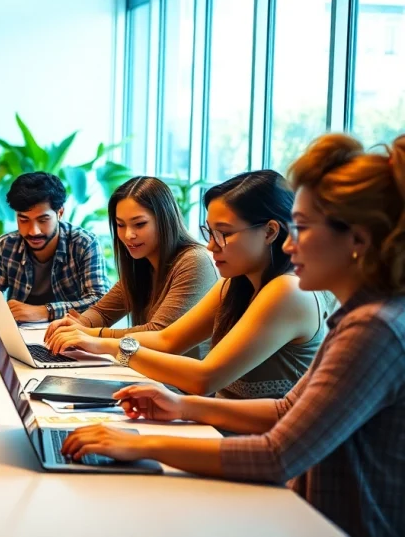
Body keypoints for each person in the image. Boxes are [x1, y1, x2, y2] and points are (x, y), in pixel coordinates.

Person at [62, 133, 405, 537]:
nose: (292, 245)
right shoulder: (355, 316)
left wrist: (139, 444)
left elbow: (276, 455)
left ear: (357, 240)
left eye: (304, 228)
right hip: (305, 509)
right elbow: (284, 410)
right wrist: (181, 406)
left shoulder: (371, 328)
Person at [47, 170, 332, 398]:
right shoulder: (236, 284)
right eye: (209, 231)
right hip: (217, 428)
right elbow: (168, 340)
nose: (211, 245)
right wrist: (90, 339)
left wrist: (104, 345)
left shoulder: (287, 291)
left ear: (270, 231)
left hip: (250, 447)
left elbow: (203, 378)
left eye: (224, 233)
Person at [45, 177, 217, 358]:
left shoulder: (195, 261)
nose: (128, 235)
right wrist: (80, 324)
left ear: (165, 220)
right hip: (151, 377)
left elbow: (157, 333)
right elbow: (102, 312)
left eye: (140, 224)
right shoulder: (142, 262)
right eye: (120, 225)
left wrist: (89, 335)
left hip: (179, 384)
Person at [0, 171, 109, 327]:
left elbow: (101, 303)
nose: (34, 231)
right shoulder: (6, 246)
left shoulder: (84, 244)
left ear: (60, 213)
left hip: (71, 337)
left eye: (43, 219)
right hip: (18, 338)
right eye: (24, 220)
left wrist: (44, 311)